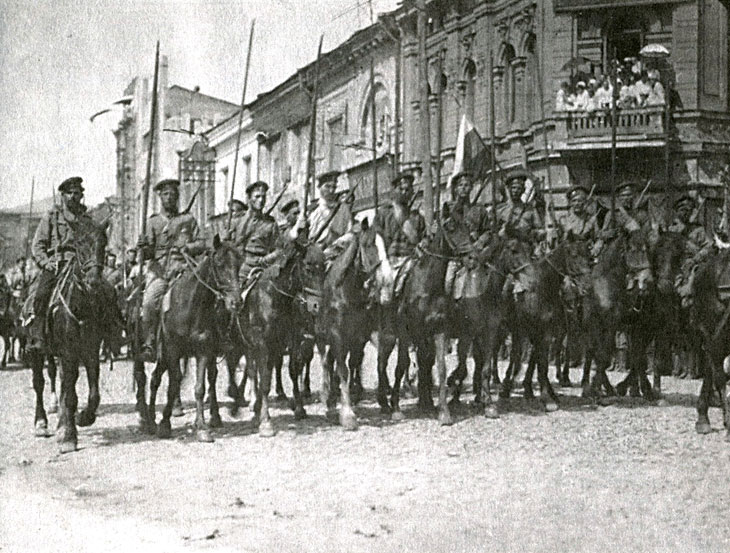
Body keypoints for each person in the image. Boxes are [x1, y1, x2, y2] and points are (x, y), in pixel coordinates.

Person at [24, 177, 113, 353]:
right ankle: (39, 335)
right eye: (69, 193)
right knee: (41, 294)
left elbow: (96, 241)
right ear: (62, 196)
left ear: (81, 196)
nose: (73, 196)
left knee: (107, 291)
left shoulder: (87, 220)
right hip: (57, 264)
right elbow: (38, 245)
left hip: (82, 264)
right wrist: (46, 262)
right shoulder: (51, 217)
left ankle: (112, 334)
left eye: (77, 193)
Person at [137, 178, 207, 361]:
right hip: (160, 271)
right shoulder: (152, 222)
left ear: (178, 196)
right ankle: (150, 341)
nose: (169, 197)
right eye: (165, 194)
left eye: (173, 194)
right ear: (160, 197)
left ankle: (206, 337)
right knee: (149, 302)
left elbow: (202, 243)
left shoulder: (188, 220)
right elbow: (147, 254)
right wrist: (144, 248)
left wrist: (188, 247)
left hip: (184, 267)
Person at [372, 172, 427, 304]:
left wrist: (423, 244)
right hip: (388, 260)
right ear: (394, 190)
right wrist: (383, 261)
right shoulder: (384, 213)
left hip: (411, 260)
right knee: (385, 297)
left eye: (407, 190)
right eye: (401, 189)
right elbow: (376, 237)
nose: (404, 192)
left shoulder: (417, 217)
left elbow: (424, 238)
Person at [231, 180, 280, 282]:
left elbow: (278, 249)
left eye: (263, 197)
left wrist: (266, 259)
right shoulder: (238, 221)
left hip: (262, 268)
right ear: (249, 199)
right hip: (241, 268)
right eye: (257, 196)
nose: (261, 200)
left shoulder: (271, 224)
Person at [669, 195, 713, 306]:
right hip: (675, 265)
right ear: (677, 211)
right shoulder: (671, 230)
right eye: (682, 210)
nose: (685, 213)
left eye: (688, 211)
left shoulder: (698, 229)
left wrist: (696, 258)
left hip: (694, 264)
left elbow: (708, 247)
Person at [495, 168, 545, 250]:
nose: (515, 191)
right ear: (509, 189)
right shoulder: (501, 210)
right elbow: (492, 232)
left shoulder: (530, 210)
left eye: (519, 188)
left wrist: (533, 235)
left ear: (523, 190)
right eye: (513, 188)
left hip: (525, 248)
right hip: (504, 249)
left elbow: (540, 230)